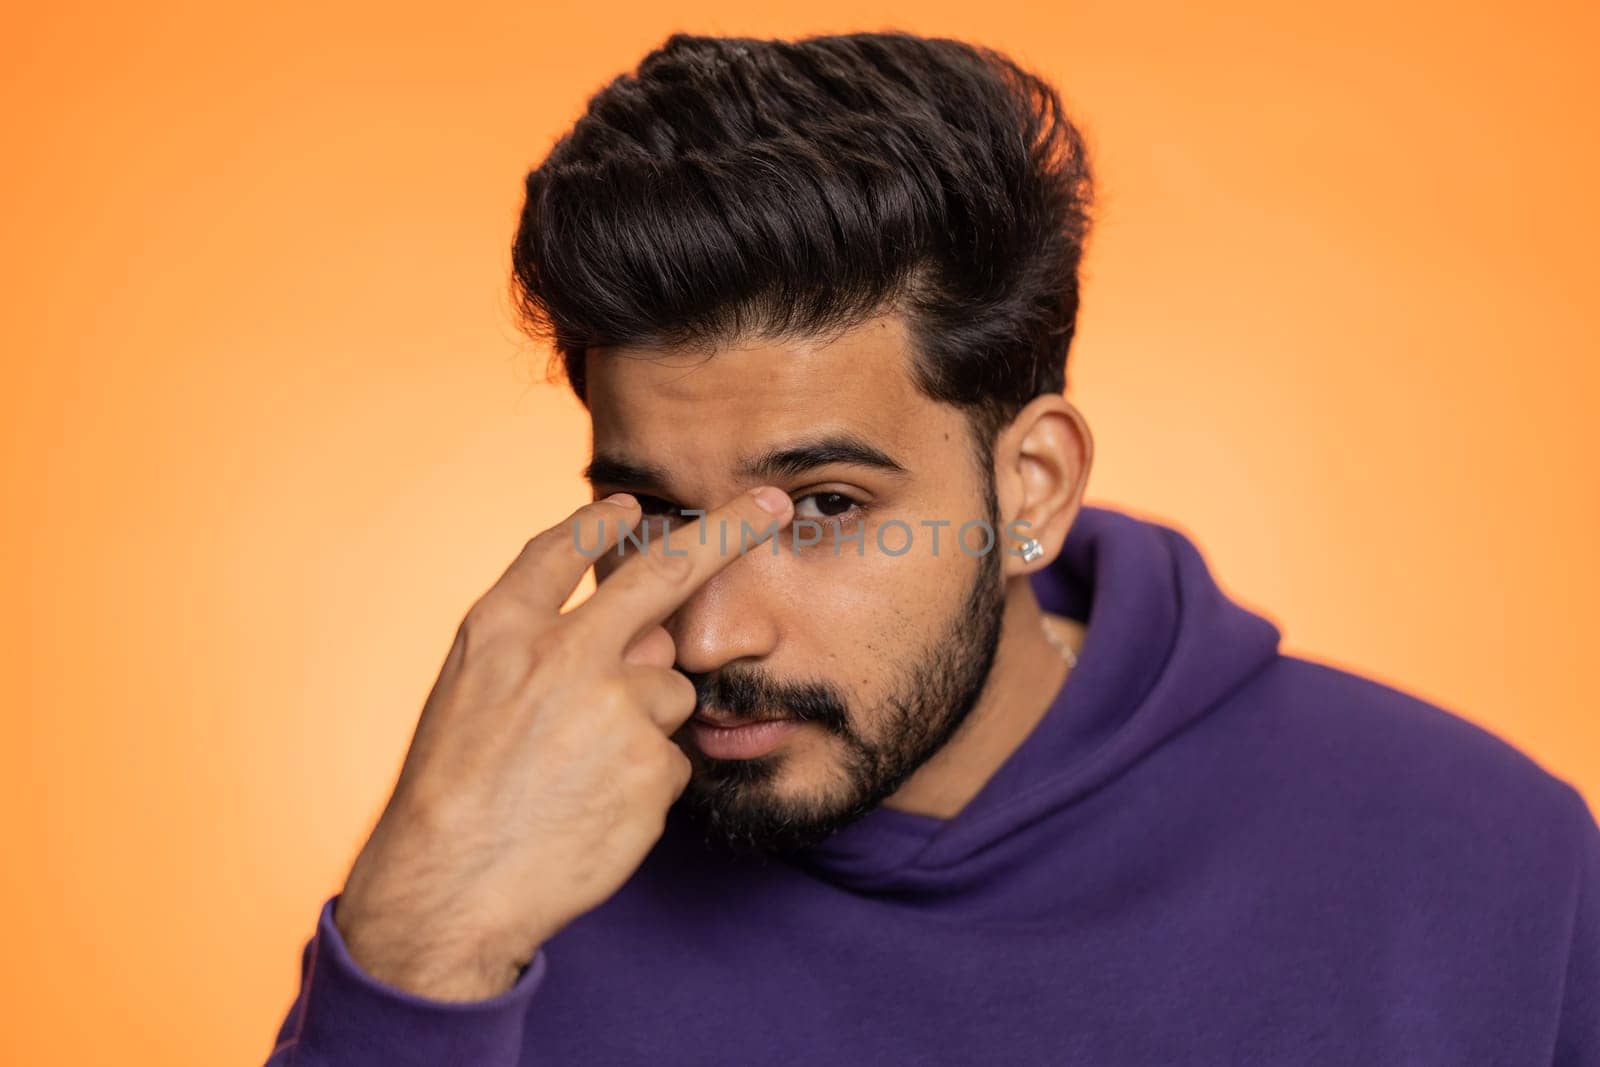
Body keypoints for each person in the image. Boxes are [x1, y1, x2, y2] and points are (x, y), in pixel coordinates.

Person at [263, 31, 1598, 1065]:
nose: (713, 633)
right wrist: (414, 945)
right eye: (657, 518)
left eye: (826, 508)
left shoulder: (1489, 866)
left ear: (1031, 485)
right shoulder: (495, 892)